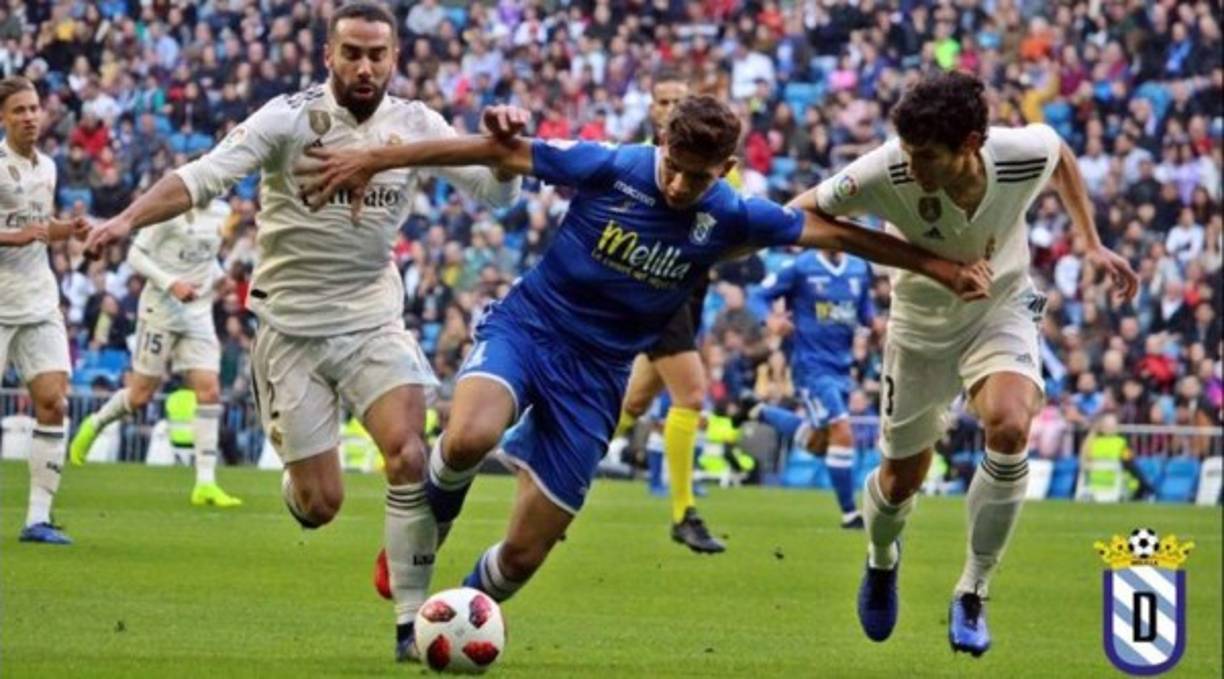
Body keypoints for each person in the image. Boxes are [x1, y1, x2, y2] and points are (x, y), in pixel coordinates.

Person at [295, 93, 993, 658]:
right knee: (471, 433)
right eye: (675, 166)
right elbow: (495, 150)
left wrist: (939, 266)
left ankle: (448, 617)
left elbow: (838, 234)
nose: (682, 183)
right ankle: (423, 549)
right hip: (531, 328)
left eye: (701, 174)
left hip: (599, 375)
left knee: (524, 555)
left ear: (724, 169)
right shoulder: (612, 166)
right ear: (662, 145)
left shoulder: (731, 215)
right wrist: (376, 158)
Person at [84, 2, 523, 663]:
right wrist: (124, 221)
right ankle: (301, 486)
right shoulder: (287, 117)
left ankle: (411, 624)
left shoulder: (415, 124)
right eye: (352, 52)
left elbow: (498, 197)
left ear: (396, 57)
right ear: (329, 55)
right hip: (289, 328)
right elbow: (201, 177)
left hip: (372, 318)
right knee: (321, 503)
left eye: (378, 54)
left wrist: (507, 152)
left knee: (407, 453)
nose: (366, 65)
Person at [791, 71, 1137, 656]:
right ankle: (881, 558)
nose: (913, 167)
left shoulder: (1019, 154)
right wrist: (929, 265)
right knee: (901, 481)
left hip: (1000, 309)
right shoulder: (886, 168)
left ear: (972, 143)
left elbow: (1060, 156)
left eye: (927, 157)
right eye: (907, 151)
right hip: (920, 328)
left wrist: (1091, 240)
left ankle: (973, 589)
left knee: (1009, 424)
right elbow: (800, 217)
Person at [612, 69, 729, 554]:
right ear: (651, 109)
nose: (669, 109)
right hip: (656, 287)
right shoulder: (639, 164)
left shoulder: (718, 162)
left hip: (691, 291)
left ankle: (534, 448)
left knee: (633, 403)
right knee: (692, 395)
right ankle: (684, 512)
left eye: (678, 101)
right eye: (662, 102)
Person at [69, 198, 244, 509]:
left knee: (210, 392)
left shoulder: (220, 212)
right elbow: (135, 256)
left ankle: (205, 483)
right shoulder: (168, 209)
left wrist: (219, 279)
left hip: (198, 312)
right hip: (160, 310)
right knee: (140, 396)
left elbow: (205, 257)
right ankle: (95, 423)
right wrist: (171, 283)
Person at [0, 76, 89, 544]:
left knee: (54, 401)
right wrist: (11, 236)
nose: (30, 117)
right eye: (19, 110)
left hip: (37, 300)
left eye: (34, 108)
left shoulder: (48, 168)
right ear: (3, 117)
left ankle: (37, 518)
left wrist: (67, 229)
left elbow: (37, 228)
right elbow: (17, 231)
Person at [739, 248, 876, 529]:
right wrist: (772, 320)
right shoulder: (800, 267)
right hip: (810, 366)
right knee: (842, 430)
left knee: (819, 443)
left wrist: (877, 325)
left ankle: (760, 411)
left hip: (842, 367)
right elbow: (756, 296)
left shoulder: (859, 268)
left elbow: (864, 312)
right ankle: (850, 514)